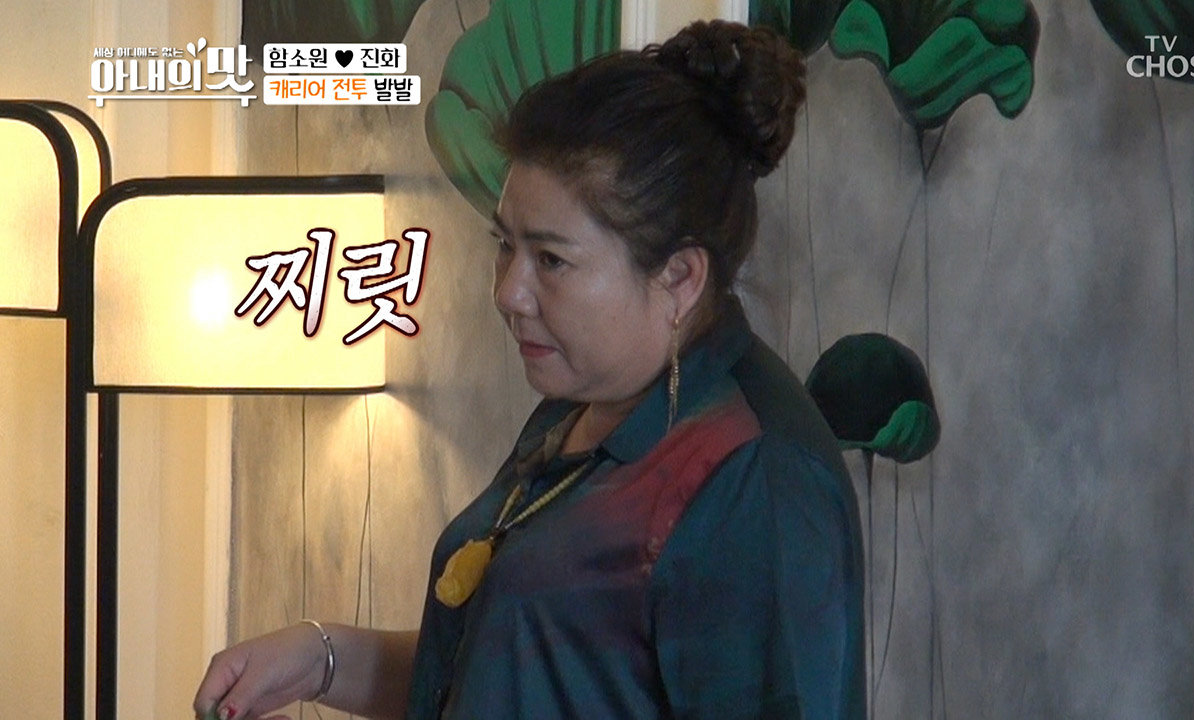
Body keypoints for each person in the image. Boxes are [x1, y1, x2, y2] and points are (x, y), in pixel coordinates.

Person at [194, 19, 865, 720]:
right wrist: (320, 658)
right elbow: (510, 669)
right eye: (505, 246)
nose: (509, 292)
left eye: (551, 260)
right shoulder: (583, 402)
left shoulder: (755, 474)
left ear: (679, 277)